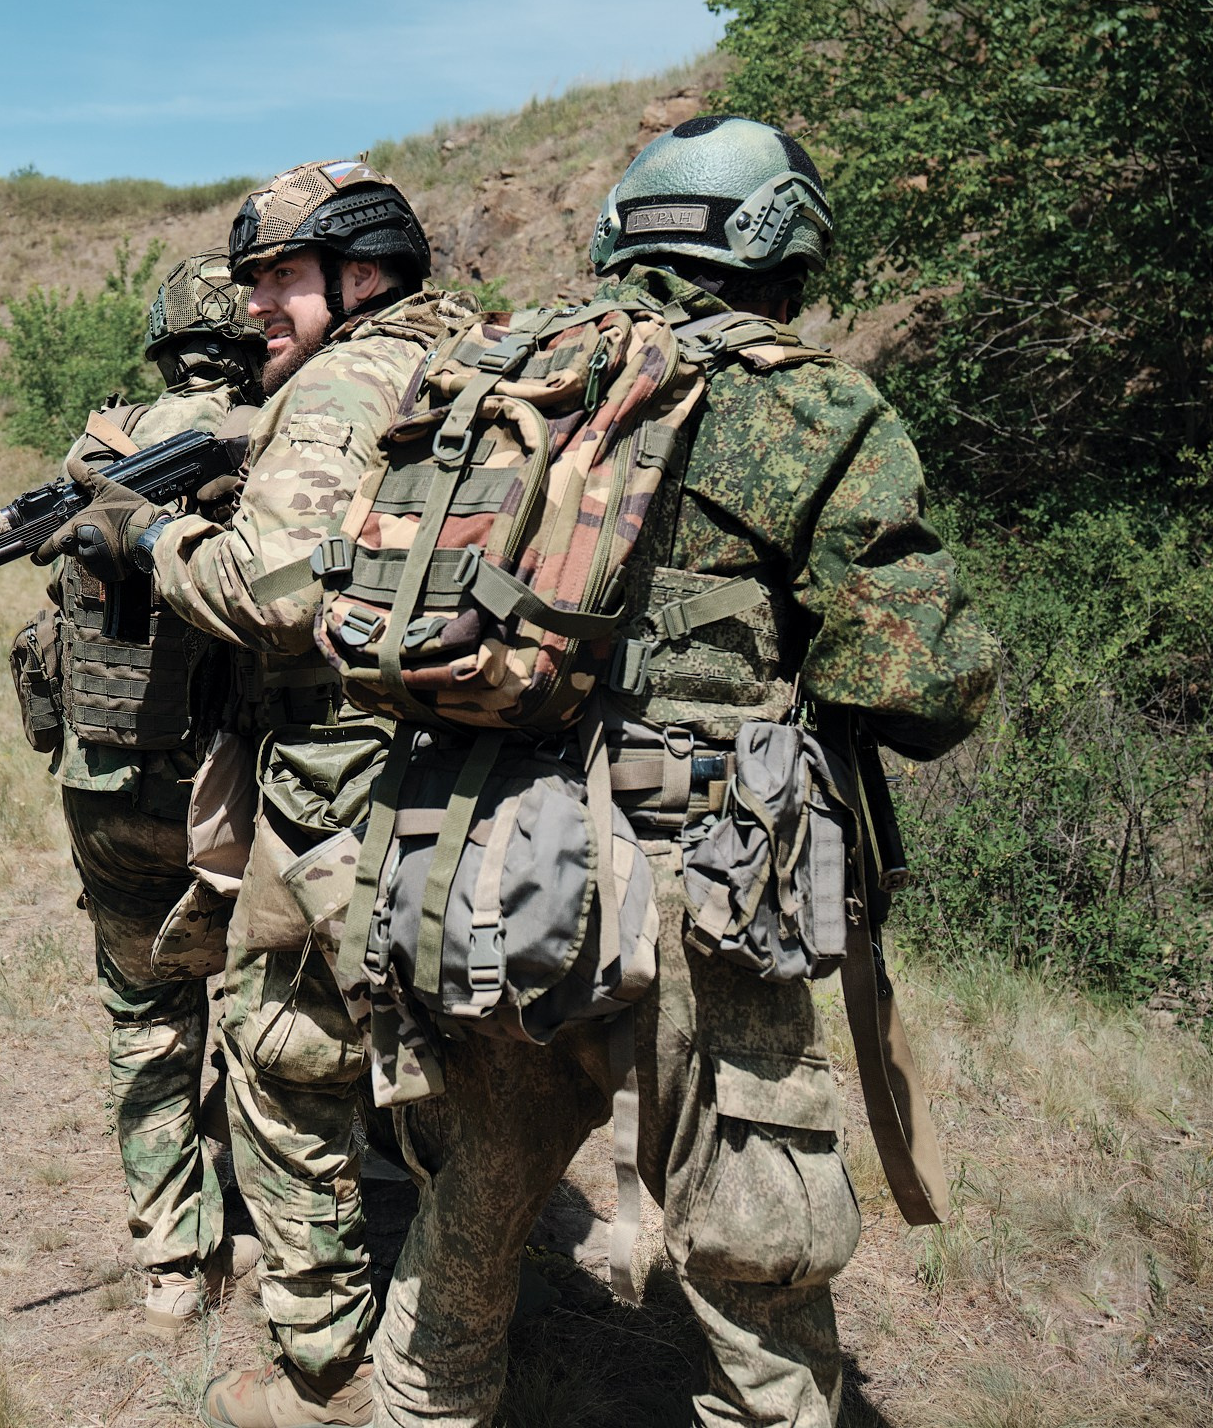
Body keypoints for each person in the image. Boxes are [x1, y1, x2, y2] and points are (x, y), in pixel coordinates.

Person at [355, 115, 1000, 1428]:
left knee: (480, 1173)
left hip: (481, 846)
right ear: (777, 249)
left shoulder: (506, 372)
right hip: (719, 868)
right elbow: (909, 685)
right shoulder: (812, 406)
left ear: (625, 235)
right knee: (757, 1226)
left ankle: (426, 1406)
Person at [40, 159, 477, 1428]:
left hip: (319, 788)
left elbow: (267, 590)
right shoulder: (469, 356)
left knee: (281, 1057)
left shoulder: (330, 390)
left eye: (280, 278)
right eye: (243, 288)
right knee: (450, 1064)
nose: (256, 310)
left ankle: (316, 1346)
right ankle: (450, 1318)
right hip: (465, 787)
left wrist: (149, 533)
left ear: (357, 270)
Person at [41, 249, 267, 1339]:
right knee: (280, 1014)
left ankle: (172, 1265)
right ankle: (289, 1233)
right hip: (245, 783)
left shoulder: (101, 444)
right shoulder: (287, 437)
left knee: (144, 1016)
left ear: (160, 337)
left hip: (109, 777)